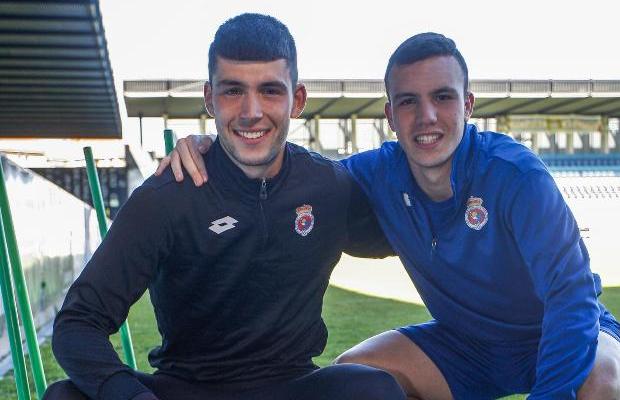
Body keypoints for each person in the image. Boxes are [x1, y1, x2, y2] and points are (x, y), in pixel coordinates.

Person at [160, 32, 620, 399]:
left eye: (442, 97)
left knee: (603, 382)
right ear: (389, 115)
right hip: (467, 347)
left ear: (468, 105)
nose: (427, 117)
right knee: (353, 378)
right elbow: (287, 186)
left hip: (560, 332)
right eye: (408, 102)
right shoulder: (375, 174)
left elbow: (572, 298)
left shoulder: (517, 176)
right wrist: (214, 152)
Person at [43, 13, 408, 400]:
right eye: (233, 91)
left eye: (270, 90)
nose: (251, 111)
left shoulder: (329, 186)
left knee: (373, 389)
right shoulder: (166, 197)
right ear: (209, 99)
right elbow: (77, 324)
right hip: (186, 388)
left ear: (296, 100)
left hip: (290, 384)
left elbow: (413, 232)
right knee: (65, 397)